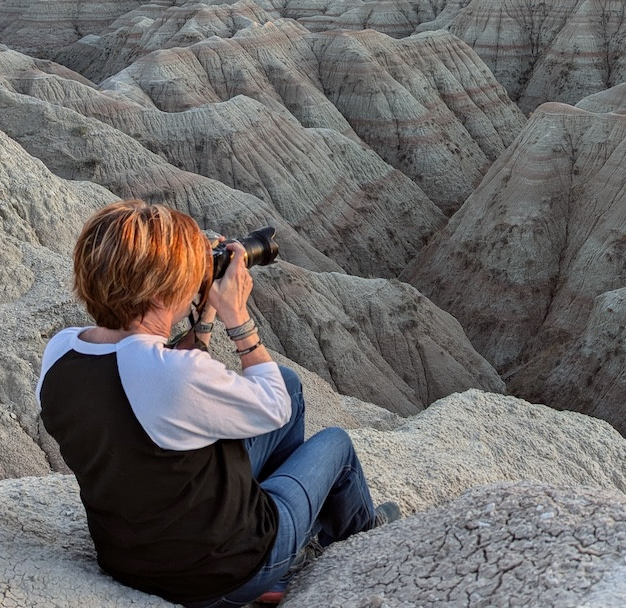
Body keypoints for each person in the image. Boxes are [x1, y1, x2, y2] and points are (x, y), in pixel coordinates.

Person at [36, 200, 398, 607]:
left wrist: (202, 317)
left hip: (126, 558)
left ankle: (268, 521)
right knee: (335, 445)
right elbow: (271, 405)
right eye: (188, 276)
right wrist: (236, 316)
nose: (195, 283)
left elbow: (169, 386)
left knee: (291, 384)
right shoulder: (171, 375)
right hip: (224, 574)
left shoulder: (61, 352)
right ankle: (357, 544)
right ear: (160, 291)